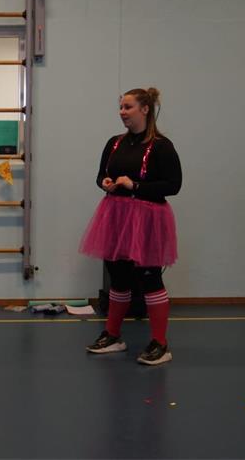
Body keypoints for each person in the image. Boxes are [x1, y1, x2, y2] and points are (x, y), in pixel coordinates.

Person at [79, 87, 182, 365]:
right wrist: (105, 183)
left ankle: (160, 343)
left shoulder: (161, 146)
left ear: (145, 109)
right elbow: (101, 175)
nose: (122, 112)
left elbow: (173, 185)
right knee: (118, 275)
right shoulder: (114, 143)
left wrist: (135, 185)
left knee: (150, 278)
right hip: (116, 215)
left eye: (128, 107)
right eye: (121, 107)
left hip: (147, 218)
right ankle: (113, 335)